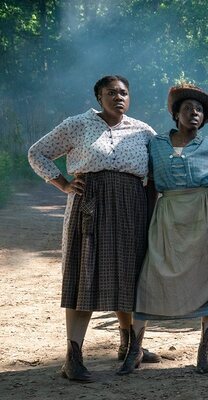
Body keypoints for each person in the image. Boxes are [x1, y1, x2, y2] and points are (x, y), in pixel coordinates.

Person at [27, 75, 160, 382]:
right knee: (83, 277)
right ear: (99, 97)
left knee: (131, 274)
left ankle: (130, 344)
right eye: (111, 92)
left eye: (124, 93)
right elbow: (37, 152)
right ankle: (73, 358)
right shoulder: (78, 124)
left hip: (132, 208)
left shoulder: (143, 131)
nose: (119, 97)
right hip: (90, 205)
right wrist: (62, 183)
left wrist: (153, 211)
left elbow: (157, 172)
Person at [117, 84, 208, 375]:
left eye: (199, 110)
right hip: (168, 213)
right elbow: (144, 177)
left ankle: (205, 347)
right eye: (188, 109)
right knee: (151, 275)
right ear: (176, 114)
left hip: (206, 214)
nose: (194, 114)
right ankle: (134, 348)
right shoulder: (155, 143)